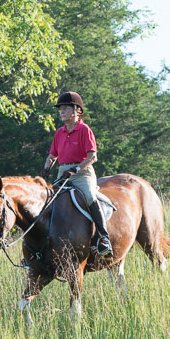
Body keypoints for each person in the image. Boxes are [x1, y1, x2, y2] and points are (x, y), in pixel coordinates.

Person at [38, 91, 112, 257]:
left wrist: (77, 169)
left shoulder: (84, 130)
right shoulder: (59, 133)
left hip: (82, 173)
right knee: (47, 201)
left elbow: (93, 156)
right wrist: (46, 168)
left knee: (89, 196)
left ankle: (103, 237)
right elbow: (52, 156)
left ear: (77, 110)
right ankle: (43, 243)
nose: (62, 111)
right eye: (61, 109)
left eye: (65, 108)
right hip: (63, 172)